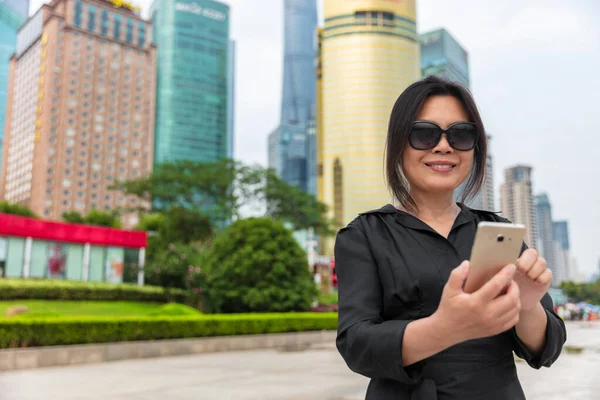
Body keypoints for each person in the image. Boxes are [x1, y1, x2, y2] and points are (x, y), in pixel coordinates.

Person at [334, 76, 566, 400]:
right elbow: (356, 344)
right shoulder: (364, 235)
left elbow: (547, 348)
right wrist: (444, 328)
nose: (443, 146)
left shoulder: (498, 232)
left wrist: (526, 306)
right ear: (399, 142)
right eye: (424, 133)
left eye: (460, 134)